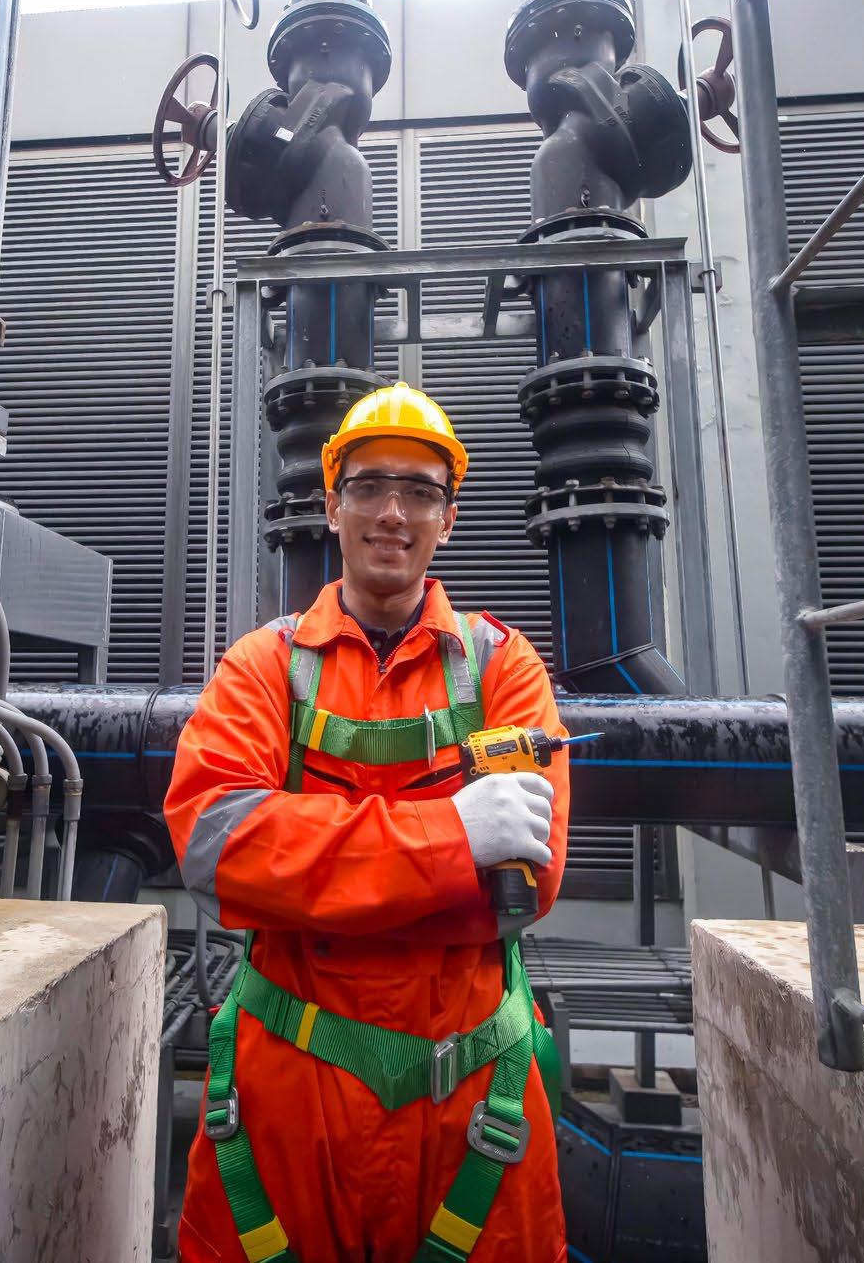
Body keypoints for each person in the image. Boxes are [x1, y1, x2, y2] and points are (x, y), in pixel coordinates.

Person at [167, 383, 572, 1262]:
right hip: (284, 1108)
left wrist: (308, 875)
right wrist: (454, 839)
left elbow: (521, 893)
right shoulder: (262, 667)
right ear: (332, 505)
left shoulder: (504, 670)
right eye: (369, 486)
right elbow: (216, 847)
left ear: (448, 519)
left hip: (474, 1111)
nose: (393, 512)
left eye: (420, 491)